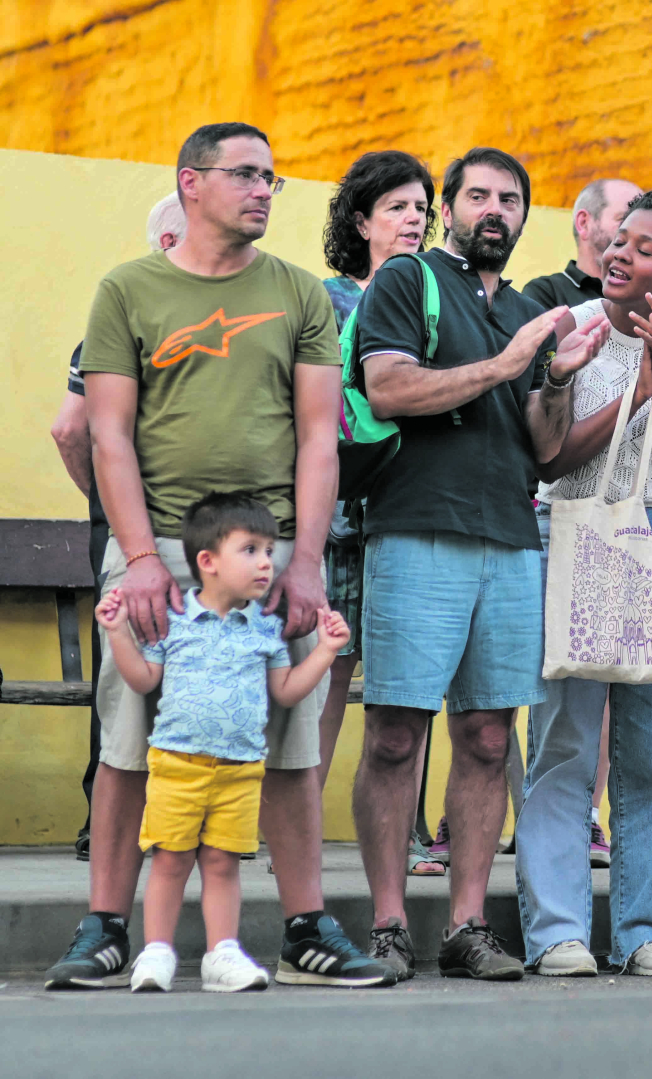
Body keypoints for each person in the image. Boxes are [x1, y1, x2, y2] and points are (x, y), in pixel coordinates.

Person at [46, 122, 395, 991]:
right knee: (131, 738)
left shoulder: (298, 294)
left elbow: (318, 437)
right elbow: (108, 434)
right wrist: (139, 558)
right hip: (159, 550)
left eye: (272, 178)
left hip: (267, 557)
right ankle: (106, 926)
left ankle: (306, 927)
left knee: (286, 744)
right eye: (245, 174)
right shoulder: (128, 290)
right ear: (190, 183)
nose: (263, 190)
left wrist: (304, 558)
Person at [348, 146, 610, 983]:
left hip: (510, 535)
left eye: (510, 199)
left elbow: (544, 449)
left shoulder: (527, 309)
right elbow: (388, 388)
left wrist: (556, 378)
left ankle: (466, 923)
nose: (495, 210)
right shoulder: (408, 279)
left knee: (490, 737)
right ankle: (388, 923)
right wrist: (506, 362)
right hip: (417, 526)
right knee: (396, 734)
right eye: (478, 196)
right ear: (449, 207)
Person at [517, 189, 652, 978]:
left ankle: (644, 931)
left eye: (643, 248)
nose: (618, 254)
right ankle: (557, 931)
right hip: (570, 528)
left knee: (648, 753)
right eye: (618, 240)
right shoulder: (566, 328)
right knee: (562, 743)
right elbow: (548, 458)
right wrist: (625, 397)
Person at [94, 494, 349, 993]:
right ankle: (156, 952)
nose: (266, 562)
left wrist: (325, 651)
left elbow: (286, 692)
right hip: (176, 765)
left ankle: (222, 953)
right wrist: (118, 631)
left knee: (222, 862)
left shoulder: (266, 629)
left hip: (240, 771)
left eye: (269, 550)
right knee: (170, 859)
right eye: (250, 550)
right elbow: (143, 680)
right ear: (208, 562)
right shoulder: (174, 620)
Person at [317, 150, 444, 879]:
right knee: (328, 674)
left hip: (412, 512)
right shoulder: (328, 300)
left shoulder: (440, 293)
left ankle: (410, 835)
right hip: (340, 519)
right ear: (362, 221)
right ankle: (295, 829)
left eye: (421, 208)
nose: (413, 219)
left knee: (407, 687)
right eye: (397, 207)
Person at [52, 192, 187, 862]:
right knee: (143, 675)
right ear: (168, 242)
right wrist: (112, 498)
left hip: (136, 528)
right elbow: (70, 430)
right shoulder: (129, 318)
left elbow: (67, 429)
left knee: (123, 677)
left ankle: (108, 827)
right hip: (168, 531)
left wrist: (109, 504)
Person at [521, 176, 641, 870]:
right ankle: (509, 810)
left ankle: (586, 816)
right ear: (584, 221)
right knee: (536, 683)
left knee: (601, 680)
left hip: (629, 519)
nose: (628, 238)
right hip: (551, 509)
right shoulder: (547, 298)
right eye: (622, 219)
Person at [523, 177, 642, 309]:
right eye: (625, 219)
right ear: (584, 223)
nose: (640, 231)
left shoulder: (648, 293)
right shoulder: (546, 292)